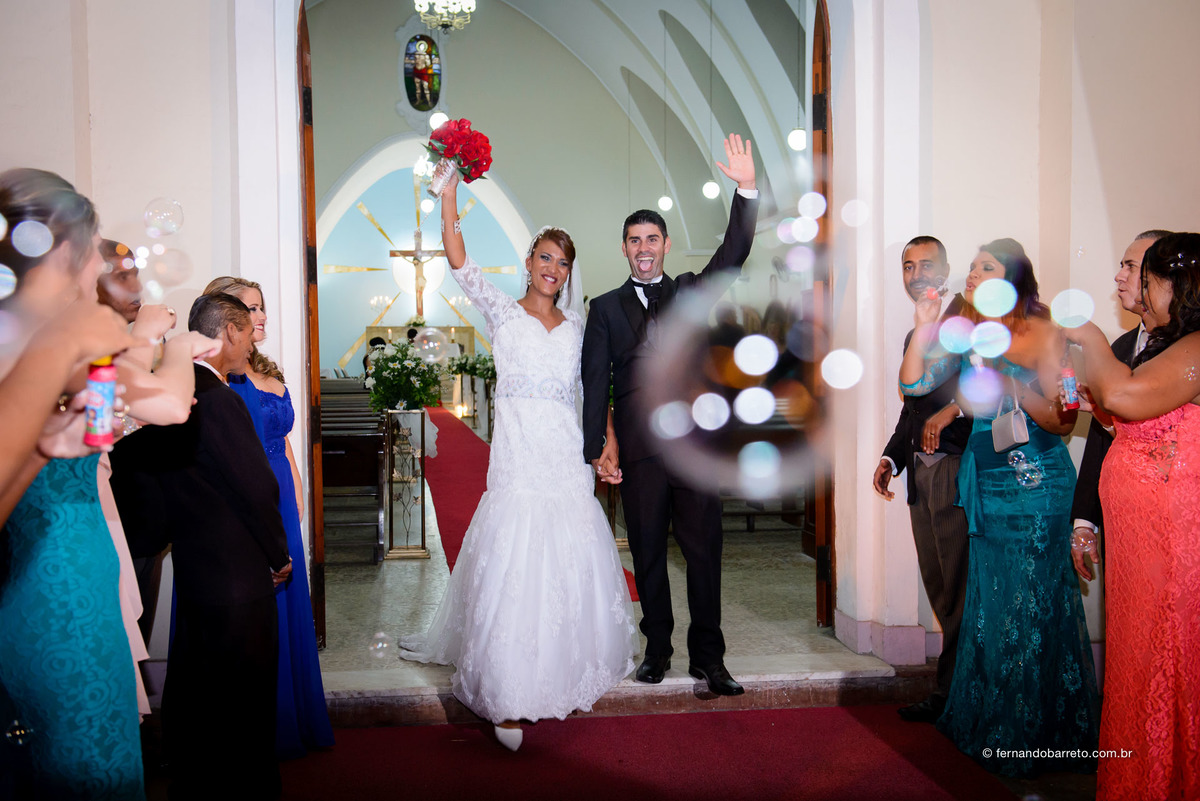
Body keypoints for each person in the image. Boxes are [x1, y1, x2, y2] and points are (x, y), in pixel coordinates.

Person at [400, 172, 636, 752]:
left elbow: (595, 389)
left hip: (565, 453)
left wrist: (607, 443)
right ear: (529, 261)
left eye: (563, 263)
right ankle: (507, 689)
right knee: (516, 557)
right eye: (545, 257)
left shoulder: (581, 327)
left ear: (568, 272)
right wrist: (450, 196)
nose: (553, 269)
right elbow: (459, 262)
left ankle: (566, 663)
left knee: (567, 552)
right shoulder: (501, 314)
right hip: (518, 457)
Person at [0, 167, 205, 800]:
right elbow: (167, 408)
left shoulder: (57, 337)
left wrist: (59, 439)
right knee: (85, 753)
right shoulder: (59, 335)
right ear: (63, 250)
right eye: (94, 248)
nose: (101, 262)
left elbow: (87, 431)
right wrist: (169, 345)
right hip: (58, 572)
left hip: (56, 561)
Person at [899, 238, 1099, 777]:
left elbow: (1064, 418)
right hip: (986, 482)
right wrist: (925, 326)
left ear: (1012, 278)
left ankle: (1040, 732)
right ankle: (992, 718)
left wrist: (1012, 381)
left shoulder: (1048, 330)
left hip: (1037, 484)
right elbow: (913, 381)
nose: (970, 275)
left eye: (984, 268)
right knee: (991, 604)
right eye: (970, 267)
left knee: (1032, 606)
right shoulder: (966, 324)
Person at [581, 133, 758, 696]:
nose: (643, 247)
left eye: (652, 238)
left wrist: (746, 189)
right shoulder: (603, 308)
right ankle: (657, 650)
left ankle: (710, 658)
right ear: (624, 249)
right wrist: (595, 447)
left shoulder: (688, 293)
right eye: (634, 240)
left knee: (705, 551)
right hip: (637, 448)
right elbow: (593, 380)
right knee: (650, 552)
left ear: (666, 243)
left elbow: (732, 255)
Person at [109, 292, 292, 799]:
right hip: (238, 576)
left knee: (206, 693)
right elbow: (257, 489)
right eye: (246, 329)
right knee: (245, 702)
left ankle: (199, 780)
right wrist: (277, 555)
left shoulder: (173, 402)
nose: (252, 339)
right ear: (229, 333)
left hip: (196, 570)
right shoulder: (217, 400)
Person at [1065, 232, 1200, 800]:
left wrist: (1088, 335)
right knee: (1136, 656)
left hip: (1173, 530)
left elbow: (1125, 395)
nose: (1139, 289)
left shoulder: (1197, 346)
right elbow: (1125, 417)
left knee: (1166, 653)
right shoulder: (1169, 345)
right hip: (1141, 533)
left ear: (1179, 285)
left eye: (1148, 279)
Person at [204, 275, 334, 760]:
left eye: (261, 308)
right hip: (243, 502)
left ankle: (294, 716)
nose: (260, 318)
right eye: (250, 309)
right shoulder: (220, 381)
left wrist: (297, 493)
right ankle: (259, 728)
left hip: (279, 495)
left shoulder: (269, 372)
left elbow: (282, 447)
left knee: (287, 605)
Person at [873, 236, 971, 723]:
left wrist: (952, 417)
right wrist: (892, 458)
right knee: (939, 586)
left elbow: (987, 393)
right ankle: (952, 689)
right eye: (908, 266)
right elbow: (911, 407)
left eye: (925, 264)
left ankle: (956, 694)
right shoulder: (920, 331)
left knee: (957, 587)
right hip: (920, 473)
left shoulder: (966, 322)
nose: (916, 274)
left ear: (947, 267)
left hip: (954, 469)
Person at [1068, 229, 1171, 580]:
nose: (1118, 275)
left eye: (1130, 266)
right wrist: (1085, 522)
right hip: (1123, 519)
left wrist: (1089, 335)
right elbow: (1105, 441)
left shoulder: (1186, 350)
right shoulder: (1122, 347)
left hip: (1173, 518)